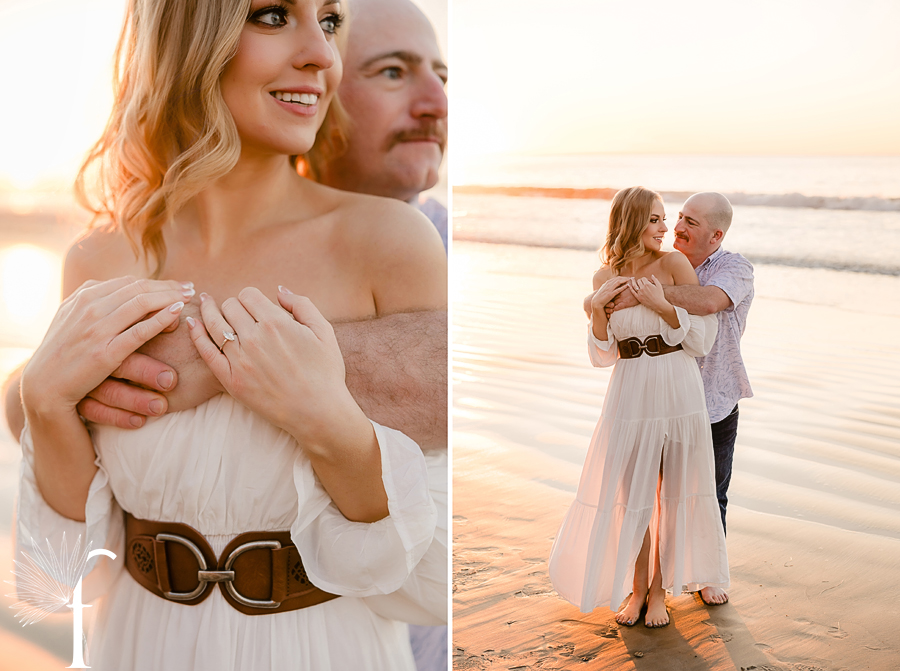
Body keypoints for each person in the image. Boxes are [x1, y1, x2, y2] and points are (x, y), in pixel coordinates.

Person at [14, 0, 447, 668]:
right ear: (188, 33)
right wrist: (43, 403)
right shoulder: (100, 263)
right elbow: (67, 579)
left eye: (329, 22)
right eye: (273, 16)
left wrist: (328, 425)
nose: (320, 54)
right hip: (136, 647)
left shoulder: (386, 243)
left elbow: (425, 582)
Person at [549, 186, 728, 628]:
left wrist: (661, 304)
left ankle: (659, 594)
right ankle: (635, 588)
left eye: (666, 218)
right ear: (629, 222)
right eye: (655, 219)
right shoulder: (603, 277)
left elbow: (701, 341)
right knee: (634, 499)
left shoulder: (674, 264)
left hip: (676, 386)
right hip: (629, 390)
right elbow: (602, 354)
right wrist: (596, 309)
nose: (666, 228)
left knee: (672, 494)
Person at [604, 191, 754, 607]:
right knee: (647, 494)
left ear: (716, 234)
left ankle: (705, 575)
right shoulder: (665, 265)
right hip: (658, 396)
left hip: (713, 399)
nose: (677, 228)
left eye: (690, 222)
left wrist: (646, 293)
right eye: (678, 217)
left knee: (707, 492)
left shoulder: (733, 268)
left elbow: (708, 302)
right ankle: (650, 588)